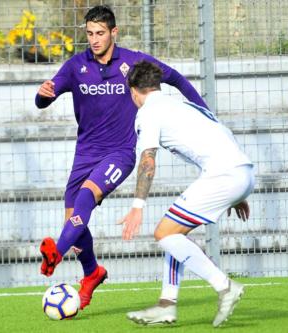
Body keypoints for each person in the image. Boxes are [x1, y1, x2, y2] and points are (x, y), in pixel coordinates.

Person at [35, 5, 208, 310]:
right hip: (85, 153)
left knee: (86, 198)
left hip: (121, 153)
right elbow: (43, 100)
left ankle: (56, 254)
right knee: (74, 224)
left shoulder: (132, 62)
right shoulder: (76, 66)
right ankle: (92, 273)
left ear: (113, 32)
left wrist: (205, 113)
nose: (94, 39)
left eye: (100, 33)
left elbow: (176, 78)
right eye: (89, 33)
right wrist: (43, 94)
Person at [119, 60, 255, 327]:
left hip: (224, 175)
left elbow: (147, 160)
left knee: (164, 233)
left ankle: (224, 285)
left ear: (134, 91)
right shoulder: (181, 104)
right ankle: (166, 305)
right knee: (174, 236)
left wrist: (137, 205)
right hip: (242, 171)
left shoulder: (148, 112)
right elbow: (221, 133)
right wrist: (239, 192)